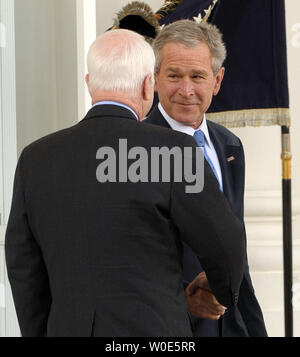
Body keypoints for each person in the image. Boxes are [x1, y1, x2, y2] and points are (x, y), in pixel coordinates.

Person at [5, 29, 245, 337]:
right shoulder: (174, 152)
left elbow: (23, 266)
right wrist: (219, 291)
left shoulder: (35, 159)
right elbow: (226, 244)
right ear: (148, 85)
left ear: (90, 83)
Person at [144, 19, 268, 337]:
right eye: (174, 76)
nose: (186, 90)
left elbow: (235, 250)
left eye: (197, 76)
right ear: (155, 77)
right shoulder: (134, 148)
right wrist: (182, 297)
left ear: (217, 79)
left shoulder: (230, 146)